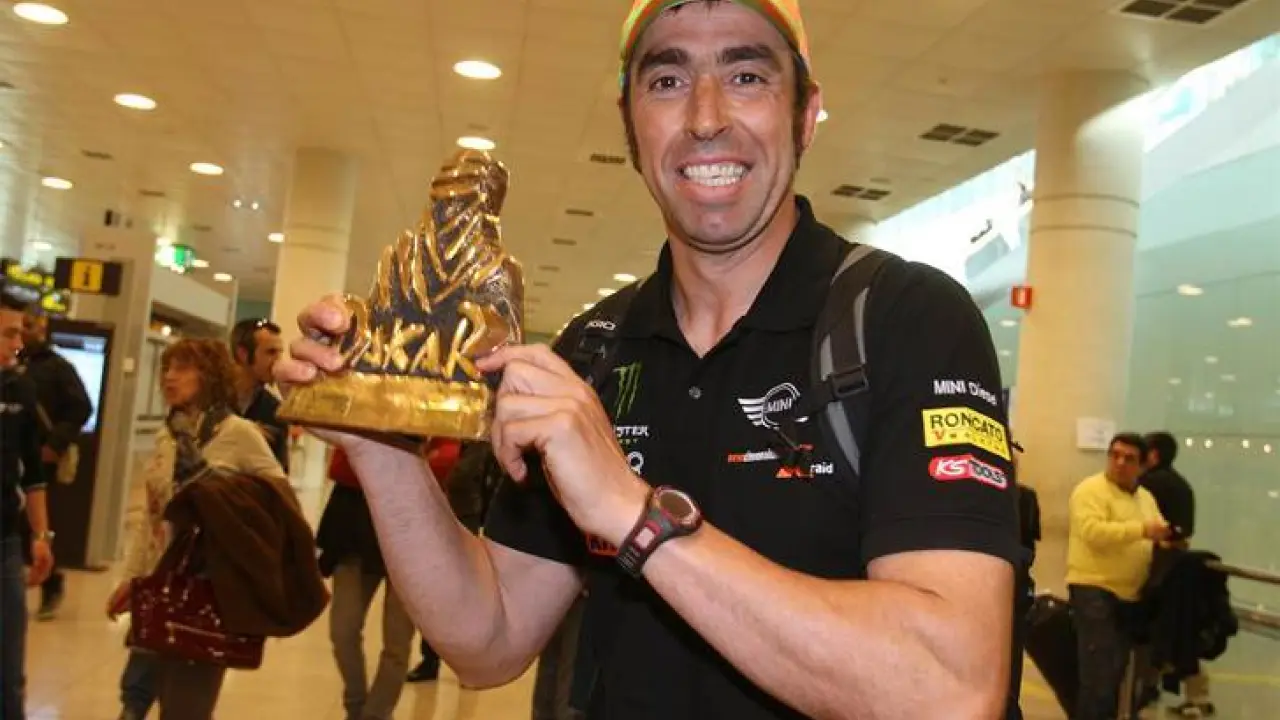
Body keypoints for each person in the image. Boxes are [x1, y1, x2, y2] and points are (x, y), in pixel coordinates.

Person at [278, 1, 1020, 717]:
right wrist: (381, 448)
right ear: (630, 124)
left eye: (747, 76)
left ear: (806, 114)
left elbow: (949, 694)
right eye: (667, 80)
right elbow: (488, 640)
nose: (705, 117)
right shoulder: (595, 348)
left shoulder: (906, 319)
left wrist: (633, 514)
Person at [108, 339, 289, 720]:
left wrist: (219, 495)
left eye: (182, 368)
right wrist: (131, 579)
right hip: (160, 584)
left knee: (185, 707)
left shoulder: (238, 433)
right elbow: (152, 520)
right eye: (167, 368)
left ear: (209, 376)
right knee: (135, 696)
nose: (169, 377)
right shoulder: (168, 435)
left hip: (208, 588)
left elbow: (280, 500)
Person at [1066, 433, 1170, 720]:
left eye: (1129, 458)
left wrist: (1166, 539)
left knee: (1117, 674)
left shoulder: (1145, 498)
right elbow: (1093, 532)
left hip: (1131, 596)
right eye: (1115, 455)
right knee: (1099, 675)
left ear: (1143, 466)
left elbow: (1157, 528)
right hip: (1094, 588)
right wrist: (1142, 530)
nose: (1120, 463)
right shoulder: (1090, 491)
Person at [317, 446, 416, 720]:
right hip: (353, 531)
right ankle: (356, 705)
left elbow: (441, 467)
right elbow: (340, 466)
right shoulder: (364, 418)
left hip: (411, 536)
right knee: (342, 630)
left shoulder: (432, 420)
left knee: (397, 641)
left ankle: (376, 714)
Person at [0, 290, 55, 720]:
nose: (18, 344)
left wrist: (41, 536)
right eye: (9, 334)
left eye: (19, 334)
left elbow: (32, 472)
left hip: (4, 544)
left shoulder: (20, 389)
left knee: (7, 671)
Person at [18, 305, 92, 621]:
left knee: (32, 525)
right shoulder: (11, 364)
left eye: (30, 325)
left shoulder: (58, 368)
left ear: (43, 328)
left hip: (39, 458)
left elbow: (81, 407)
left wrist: (55, 443)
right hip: (10, 454)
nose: (24, 333)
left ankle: (51, 582)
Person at [1141, 431, 1213, 717]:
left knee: (1154, 631)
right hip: (1179, 568)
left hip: (1156, 568)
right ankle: (1197, 694)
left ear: (1153, 454)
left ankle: (1146, 687)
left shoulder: (1147, 485)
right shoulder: (1183, 485)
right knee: (1178, 631)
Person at [229, 318, 290, 472]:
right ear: (243, 354)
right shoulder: (209, 397)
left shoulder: (275, 410)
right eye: (271, 352)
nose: (278, 361)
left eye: (280, 353)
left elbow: (278, 474)